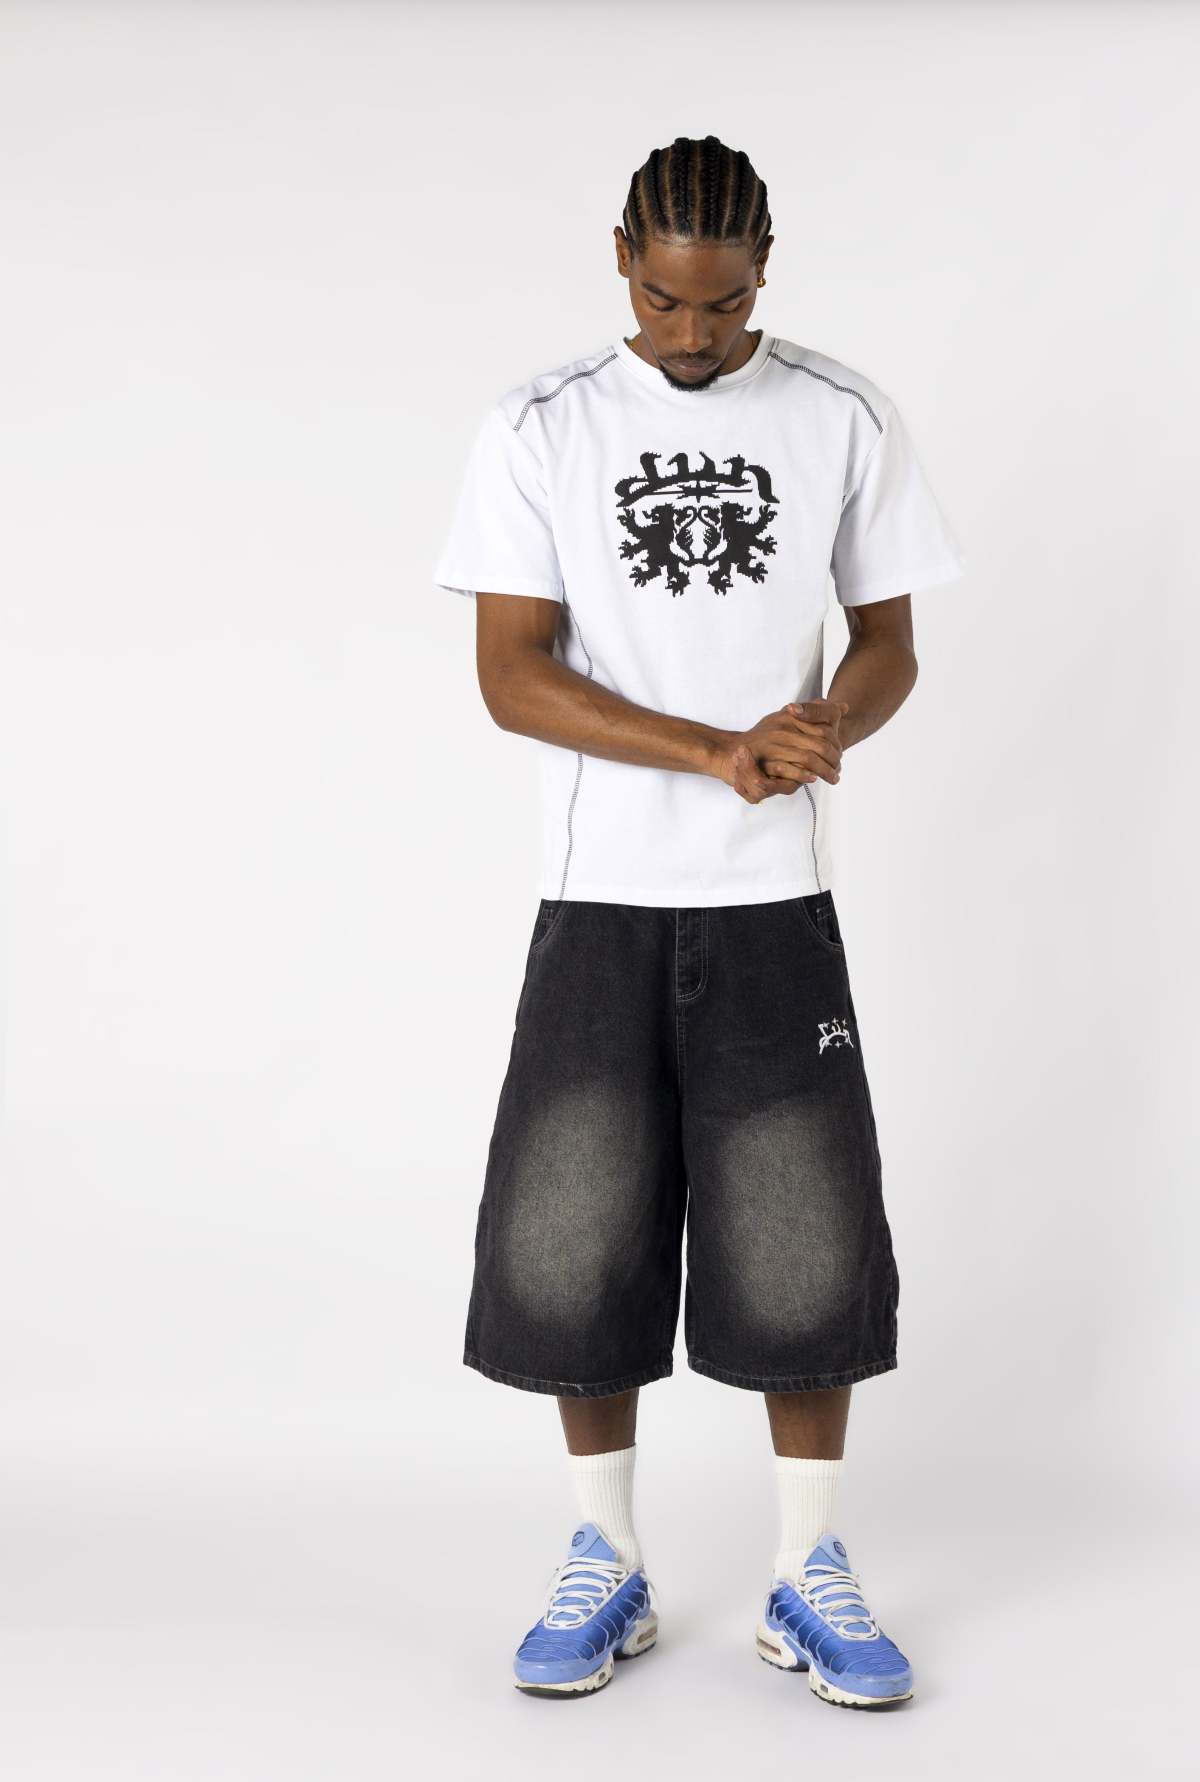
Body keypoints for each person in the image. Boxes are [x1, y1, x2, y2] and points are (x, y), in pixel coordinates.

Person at [432, 134, 963, 1711]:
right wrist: (709, 747)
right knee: (572, 1230)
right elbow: (511, 674)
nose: (691, 333)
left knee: (805, 1234)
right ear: (620, 258)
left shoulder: (840, 413)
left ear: (762, 272)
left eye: (722, 305)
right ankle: (604, 1555)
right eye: (664, 300)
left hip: (773, 900)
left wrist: (828, 722)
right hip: (601, 895)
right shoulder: (539, 424)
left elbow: (888, 638)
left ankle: (808, 1568)